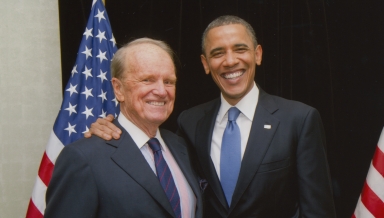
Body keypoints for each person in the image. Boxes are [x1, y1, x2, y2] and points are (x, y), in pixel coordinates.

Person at [86, 16, 336, 217]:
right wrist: (107, 129)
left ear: (257, 54)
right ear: (205, 64)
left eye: (240, 49)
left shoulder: (299, 119)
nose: (230, 61)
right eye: (217, 53)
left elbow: (317, 210)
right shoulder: (190, 122)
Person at [45, 38, 203, 218]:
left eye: (168, 82)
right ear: (118, 89)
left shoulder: (181, 147)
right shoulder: (83, 158)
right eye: (147, 80)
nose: (161, 91)